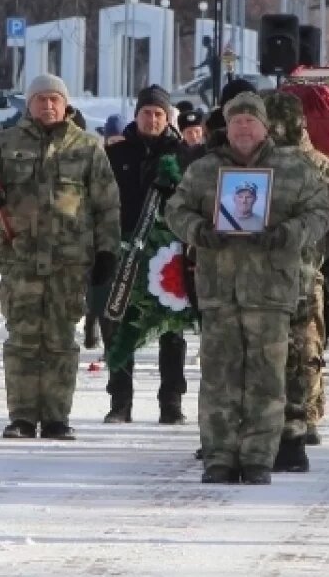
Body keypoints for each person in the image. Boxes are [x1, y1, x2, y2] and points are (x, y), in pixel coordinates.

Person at [165, 91, 329, 485]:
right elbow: (176, 209)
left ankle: (259, 456)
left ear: (264, 127)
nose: (243, 128)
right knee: (219, 377)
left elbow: (321, 212)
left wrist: (289, 233)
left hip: (270, 290)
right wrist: (199, 231)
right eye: (236, 121)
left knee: (266, 377)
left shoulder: (294, 167)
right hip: (219, 290)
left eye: (250, 121)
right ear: (228, 126)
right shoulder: (204, 170)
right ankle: (219, 456)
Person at [0, 74, 120, 441]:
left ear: (65, 103)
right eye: (40, 99)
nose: (48, 105)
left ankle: (56, 417)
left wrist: (107, 251)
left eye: (54, 99)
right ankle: (21, 417)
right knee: (22, 339)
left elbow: (107, 204)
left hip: (68, 263)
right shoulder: (4, 144)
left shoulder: (87, 147)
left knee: (60, 340)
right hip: (20, 257)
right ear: (29, 104)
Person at [263, 91, 329, 468]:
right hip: (264, 271)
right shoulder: (255, 162)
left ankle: (307, 415)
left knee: (306, 346)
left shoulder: (318, 164)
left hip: (306, 268)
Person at [98, 84, 192, 425]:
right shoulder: (117, 154)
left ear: (168, 118)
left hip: (169, 254)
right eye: (146, 113)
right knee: (119, 326)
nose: (152, 119)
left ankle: (171, 401)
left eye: (158, 113)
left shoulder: (183, 155)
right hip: (126, 251)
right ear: (136, 115)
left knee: (172, 330)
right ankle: (120, 401)